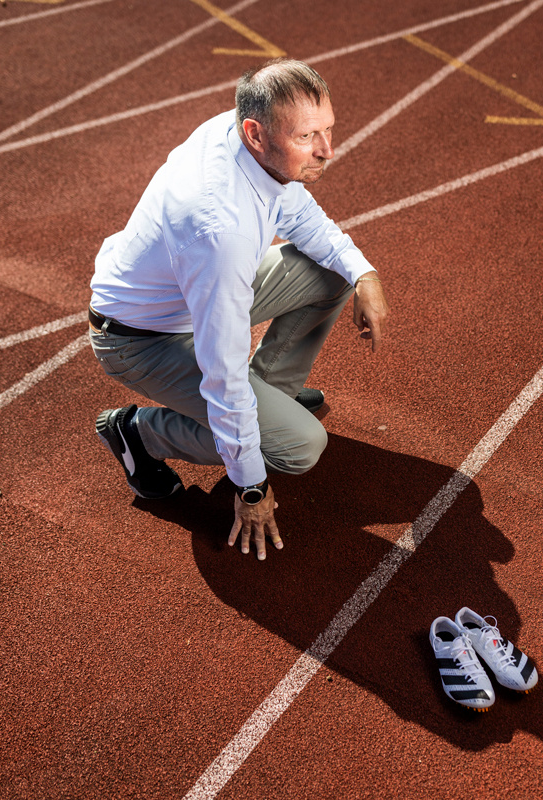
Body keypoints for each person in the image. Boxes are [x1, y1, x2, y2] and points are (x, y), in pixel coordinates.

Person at [88, 58, 389, 561]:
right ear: (256, 132)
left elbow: (300, 217)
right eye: (307, 137)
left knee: (333, 271)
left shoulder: (246, 139)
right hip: (140, 339)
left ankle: (273, 397)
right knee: (296, 448)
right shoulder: (218, 231)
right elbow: (223, 374)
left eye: (329, 130)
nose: (327, 151)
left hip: (190, 298)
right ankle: (137, 432)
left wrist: (364, 272)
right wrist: (249, 487)